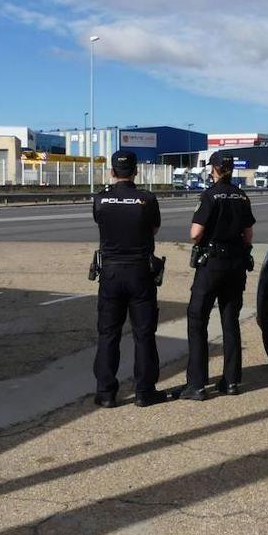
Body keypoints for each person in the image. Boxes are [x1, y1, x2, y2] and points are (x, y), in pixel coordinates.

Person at [92, 149, 169, 408]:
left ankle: (105, 392)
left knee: (108, 333)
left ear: (112, 172)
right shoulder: (146, 199)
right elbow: (154, 228)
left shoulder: (101, 199)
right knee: (144, 334)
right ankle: (144, 391)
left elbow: (99, 221)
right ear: (136, 171)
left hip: (111, 272)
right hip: (139, 272)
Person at [178, 151, 256, 400]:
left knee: (197, 318)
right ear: (231, 170)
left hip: (212, 264)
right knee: (230, 320)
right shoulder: (242, 196)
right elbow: (248, 235)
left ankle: (197, 385)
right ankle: (231, 381)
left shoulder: (210, 195)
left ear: (213, 169)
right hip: (236, 264)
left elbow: (195, 233)